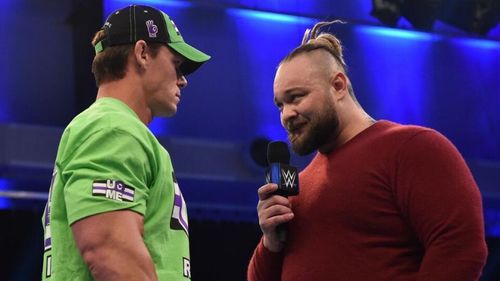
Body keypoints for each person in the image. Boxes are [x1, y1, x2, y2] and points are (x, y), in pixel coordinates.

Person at [247, 21, 488, 281]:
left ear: (338, 86)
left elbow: (460, 248)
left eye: (296, 97)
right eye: (280, 105)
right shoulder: (298, 186)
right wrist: (270, 241)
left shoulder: (412, 148)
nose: (287, 115)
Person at [41, 4, 210, 280]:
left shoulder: (115, 127)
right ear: (143, 53)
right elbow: (110, 252)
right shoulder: (112, 127)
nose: (183, 81)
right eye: (177, 65)